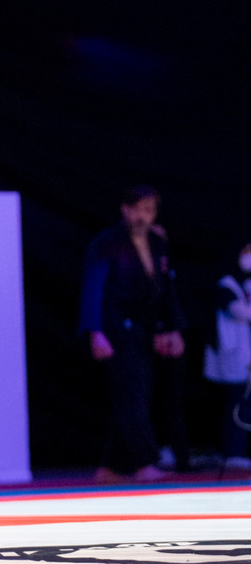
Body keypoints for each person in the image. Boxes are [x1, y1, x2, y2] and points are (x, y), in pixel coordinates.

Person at [80, 185, 187, 482]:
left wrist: (172, 328)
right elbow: (93, 289)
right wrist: (94, 332)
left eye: (149, 210)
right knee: (133, 395)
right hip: (115, 329)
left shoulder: (157, 242)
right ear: (125, 209)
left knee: (133, 395)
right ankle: (145, 462)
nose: (143, 216)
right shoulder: (106, 242)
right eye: (138, 209)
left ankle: (110, 466)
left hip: (145, 330)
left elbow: (167, 290)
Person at [204, 241, 251, 471]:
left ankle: (235, 450)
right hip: (231, 357)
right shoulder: (226, 285)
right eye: (246, 252)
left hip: (241, 356)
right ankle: (232, 451)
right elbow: (240, 312)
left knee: (240, 402)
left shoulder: (239, 285)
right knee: (236, 404)